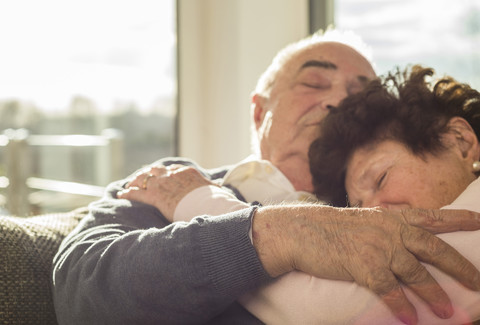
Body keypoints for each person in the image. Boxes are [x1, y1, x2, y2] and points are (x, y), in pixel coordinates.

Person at [52, 31, 480, 325]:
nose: (336, 101)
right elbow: (83, 295)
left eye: (357, 95)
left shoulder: (412, 195)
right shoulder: (171, 183)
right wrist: (276, 235)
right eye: (314, 82)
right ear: (259, 111)